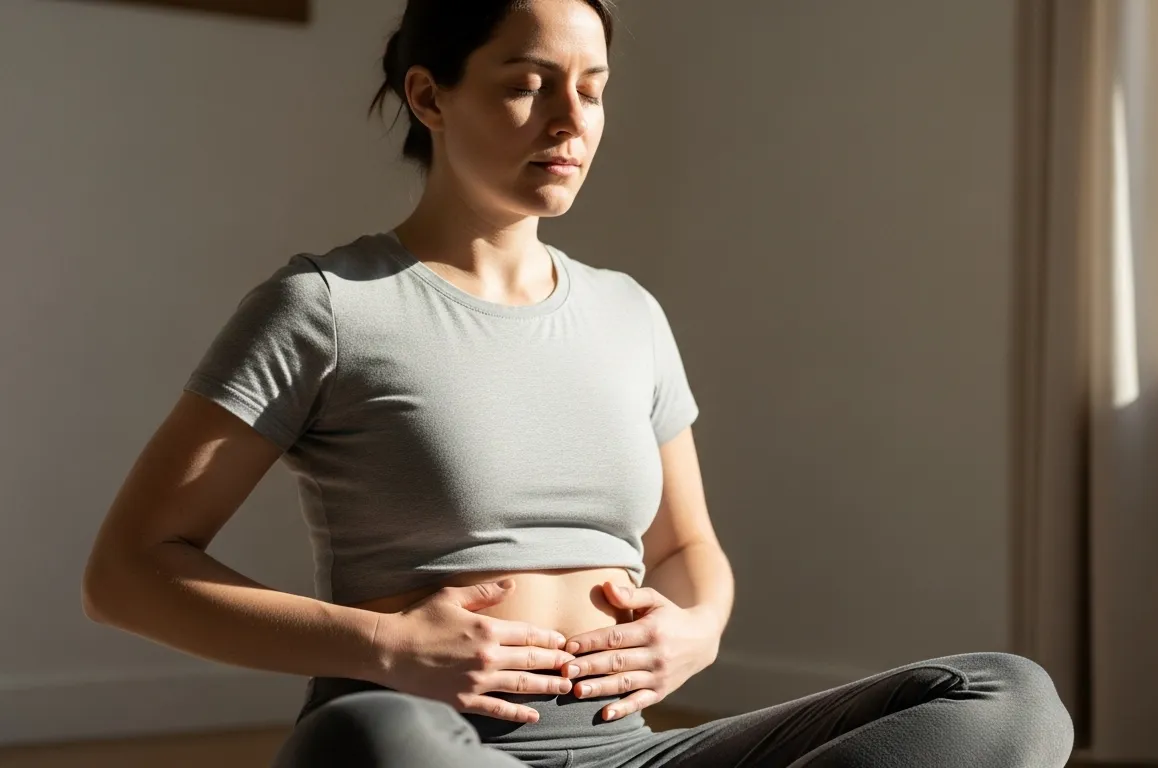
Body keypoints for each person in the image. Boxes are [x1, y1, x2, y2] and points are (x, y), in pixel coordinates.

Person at [81, 1, 1075, 765]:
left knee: (1005, 695)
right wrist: (382, 647)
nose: (570, 119)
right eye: (528, 83)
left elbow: (685, 547)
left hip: (632, 747)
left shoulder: (627, 313)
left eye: (592, 88)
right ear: (431, 97)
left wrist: (699, 629)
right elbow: (129, 569)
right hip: (432, 741)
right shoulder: (329, 303)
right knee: (367, 746)